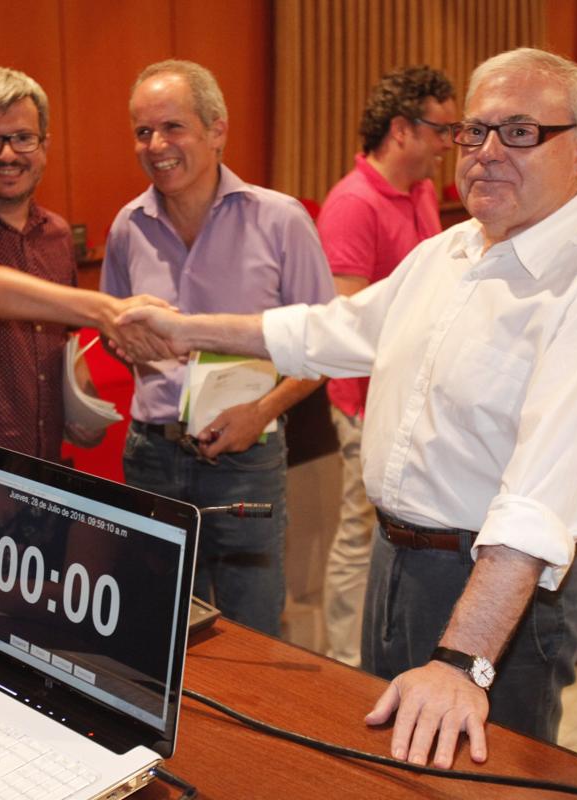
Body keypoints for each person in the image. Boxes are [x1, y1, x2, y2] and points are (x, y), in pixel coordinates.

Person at [117, 48, 577, 767]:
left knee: (477, 782)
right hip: (398, 562)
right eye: (475, 131)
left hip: (500, 592)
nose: (487, 153)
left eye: (520, 132)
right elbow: (331, 331)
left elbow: (539, 503)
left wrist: (463, 664)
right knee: (392, 769)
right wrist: (190, 328)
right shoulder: (454, 251)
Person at [100, 60, 335, 637]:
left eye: (172, 127)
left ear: (217, 130)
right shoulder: (127, 227)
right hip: (150, 457)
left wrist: (260, 413)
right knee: (155, 627)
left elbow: (323, 351)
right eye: (142, 131)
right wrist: (125, 341)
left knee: (249, 636)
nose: (156, 145)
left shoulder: (280, 221)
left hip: (246, 462)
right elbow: (112, 334)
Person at [0, 67, 169, 462]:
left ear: (44, 145)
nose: (8, 154)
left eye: (23, 138)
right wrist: (104, 308)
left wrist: (83, 404)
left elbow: (67, 342)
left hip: (40, 463)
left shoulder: (56, 234)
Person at [316, 65, 458, 666]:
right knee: (358, 534)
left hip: (413, 400)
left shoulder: (422, 189)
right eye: (441, 129)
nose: (451, 143)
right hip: (364, 403)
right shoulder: (352, 204)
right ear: (401, 129)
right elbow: (348, 324)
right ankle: (344, 662)